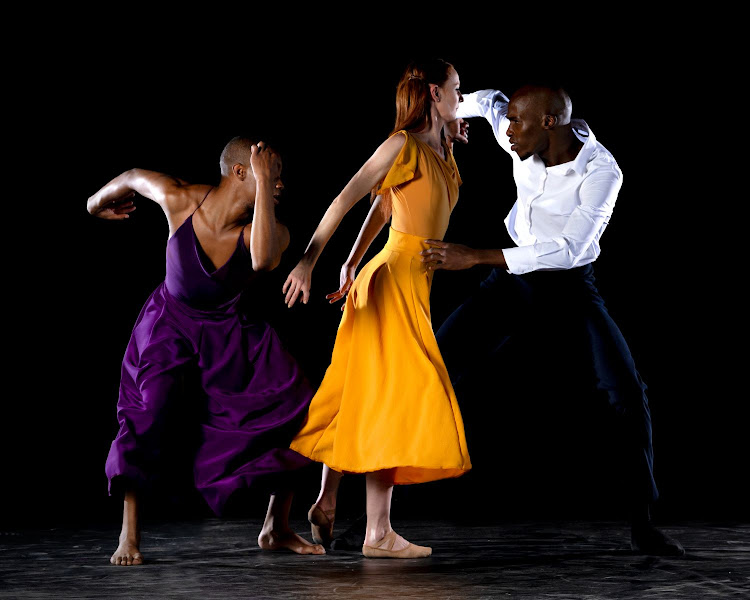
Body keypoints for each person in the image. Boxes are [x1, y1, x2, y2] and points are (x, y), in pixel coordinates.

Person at [420, 85, 684, 556]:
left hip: (569, 286)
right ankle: (372, 511)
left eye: (518, 124)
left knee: (626, 391)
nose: (508, 131)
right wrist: (442, 116)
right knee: (430, 368)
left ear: (549, 123)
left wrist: (476, 256)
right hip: (512, 284)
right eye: (511, 122)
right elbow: (487, 102)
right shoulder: (519, 132)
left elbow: (571, 250)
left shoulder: (602, 170)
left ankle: (643, 521)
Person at [88, 137, 325, 565]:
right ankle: (129, 534)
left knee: (296, 401)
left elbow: (264, 261)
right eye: (271, 174)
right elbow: (131, 177)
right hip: (168, 325)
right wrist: (94, 204)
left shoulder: (268, 231)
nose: (279, 185)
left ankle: (277, 526)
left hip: (227, 331)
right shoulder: (180, 200)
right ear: (239, 172)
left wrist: (265, 176)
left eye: (279, 177)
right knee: (149, 412)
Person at [282, 58, 472, 558]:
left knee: (364, 392)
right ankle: (377, 533)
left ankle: (325, 501)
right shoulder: (402, 144)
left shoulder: (443, 148)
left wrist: (351, 261)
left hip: (406, 281)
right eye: (457, 88)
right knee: (396, 397)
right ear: (435, 92)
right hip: (393, 283)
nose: (462, 95)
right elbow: (347, 198)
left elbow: (387, 206)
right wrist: (309, 262)